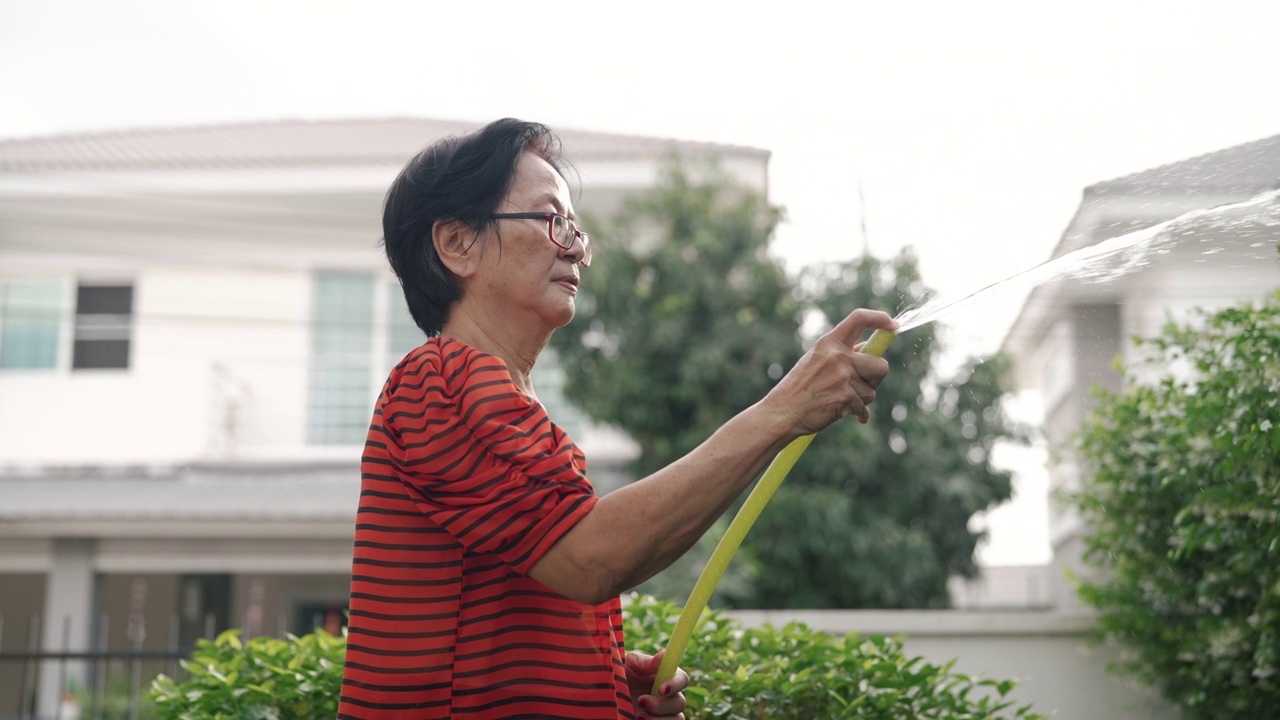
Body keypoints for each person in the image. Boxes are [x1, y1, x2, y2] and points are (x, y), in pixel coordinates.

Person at [336, 118, 895, 719]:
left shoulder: (492, 399)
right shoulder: (441, 384)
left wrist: (602, 681)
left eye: (575, 227)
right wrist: (782, 410)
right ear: (457, 244)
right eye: (551, 220)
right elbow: (590, 558)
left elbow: (535, 586)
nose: (575, 246)